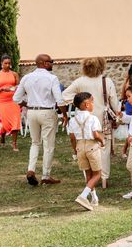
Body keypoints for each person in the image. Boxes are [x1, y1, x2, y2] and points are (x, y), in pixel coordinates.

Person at [62, 57, 120, 189]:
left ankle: (89, 179)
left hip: (83, 121)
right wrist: (116, 114)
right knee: (103, 150)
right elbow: (114, 101)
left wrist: (78, 103)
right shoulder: (107, 81)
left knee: (84, 148)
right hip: (102, 120)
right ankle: (104, 178)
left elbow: (64, 95)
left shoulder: (79, 81)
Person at [13, 54, 68, 186]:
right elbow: (59, 99)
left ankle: (31, 170)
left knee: (35, 142)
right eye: (51, 62)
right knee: (48, 144)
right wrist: (65, 114)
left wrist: (27, 105)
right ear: (43, 63)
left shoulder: (26, 77)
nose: (52, 64)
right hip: (47, 112)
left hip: (32, 112)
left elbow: (16, 98)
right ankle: (46, 175)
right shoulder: (52, 78)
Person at [67, 92, 104, 211]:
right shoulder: (93, 118)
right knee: (97, 174)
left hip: (79, 147)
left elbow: (72, 138)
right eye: (92, 102)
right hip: (91, 146)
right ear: (87, 104)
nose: (93, 104)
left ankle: (94, 198)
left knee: (88, 174)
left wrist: (75, 150)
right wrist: (102, 141)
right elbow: (95, 135)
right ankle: (83, 196)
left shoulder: (72, 120)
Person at [0, 55, 21, 151]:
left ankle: (14, 144)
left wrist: (15, 88)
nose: (8, 65)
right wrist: (2, 88)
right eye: (5, 63)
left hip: (14, 100)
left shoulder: (14, 74)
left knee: (15, 120)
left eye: (9, 63)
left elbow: (19, 86)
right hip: (2, 101)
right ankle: (3, 137)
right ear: (1, 64)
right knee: (5, 122)